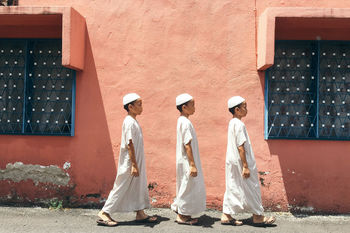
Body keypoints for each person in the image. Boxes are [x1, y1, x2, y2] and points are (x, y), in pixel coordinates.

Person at [96, 93, 157, 227]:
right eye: (139, 104)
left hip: (135, 161)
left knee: (137, 185)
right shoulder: (129, 122)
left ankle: (140, 213)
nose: (142, 107)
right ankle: (104, 213)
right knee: (121, 186)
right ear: (130, 106)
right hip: (130, 162)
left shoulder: (133, 121)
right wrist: (134, 164)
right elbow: (130, 144)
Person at [221, 96, 276, 226]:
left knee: (233, 186)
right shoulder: (239, 124)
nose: (247, 109)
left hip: (233, 161)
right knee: (253, 187)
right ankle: (258, 216)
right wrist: (245, 166)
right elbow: (241, 146)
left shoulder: (232, 122)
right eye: (245, 107)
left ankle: (226, 215)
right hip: (241, 162)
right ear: (237, 109)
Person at [171, 93, 206, 225]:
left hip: (184, 160)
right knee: (188, 186)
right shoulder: (185, 122)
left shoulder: (182, 120)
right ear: (184, 107)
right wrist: (192, 164)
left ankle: (179, 208)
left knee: (185, 185)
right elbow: (187, 144)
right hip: (187, 161)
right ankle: (182, 215)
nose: (194, 107)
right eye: (192, 105)